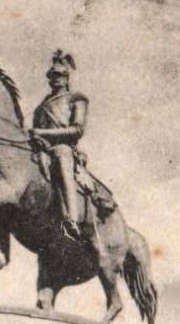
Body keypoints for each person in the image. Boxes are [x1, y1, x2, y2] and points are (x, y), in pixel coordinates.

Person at [30, 50, 116, 240]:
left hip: (64, 148)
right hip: (42, 149)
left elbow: (76, 130)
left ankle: (71, 219)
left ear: (67, 77)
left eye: (60, 75)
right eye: (52, 76)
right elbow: (36, 131)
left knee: (61, 156)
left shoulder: (76, 99)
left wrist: (43, 133)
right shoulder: (41, 107)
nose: (56, 79)